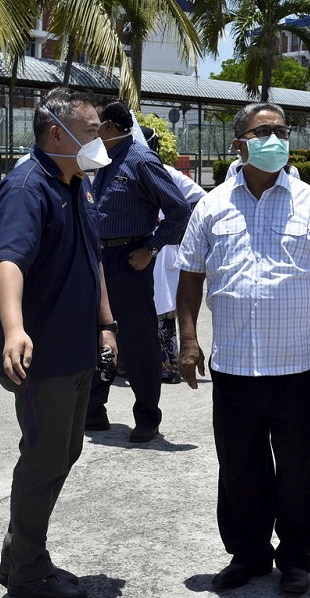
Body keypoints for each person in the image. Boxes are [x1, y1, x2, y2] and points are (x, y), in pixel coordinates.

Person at [175, 101, 310, 596]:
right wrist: (188, 341)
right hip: (233, 367)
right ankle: (249, 554)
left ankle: (297, 558)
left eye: (281, 130)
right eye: (263, 131)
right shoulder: (211, 206)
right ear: (239, 145)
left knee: (302, 470)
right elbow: (190, 277)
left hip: (298, 366)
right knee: (240, 469)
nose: (275, 138)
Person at [0, 87, 119, 598]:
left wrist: (107, 324)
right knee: (44, 457)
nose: (99, 139)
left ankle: (23, 554)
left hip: (77, 348)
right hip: (41, 354)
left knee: (63, 452)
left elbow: (94, 258)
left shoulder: (77, 182)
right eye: (90, 131)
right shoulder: (27, 187)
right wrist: (15, 329)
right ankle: (27, 571)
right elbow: (9, 261)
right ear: (55, 134)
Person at [85, 100, 189, 441]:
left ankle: (147, 417)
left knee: (137, 341)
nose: (90, 131)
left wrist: (151, 248)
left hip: (130, 260)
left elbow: (179, 209)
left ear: (112, 127)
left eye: (94, 124)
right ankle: (94, 411)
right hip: (100, 261)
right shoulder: (103, 160)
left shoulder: (141, 161)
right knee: (97, 335)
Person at [139, 124, 207, 385]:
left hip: (164, 249)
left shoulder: (167, 173)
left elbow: (201, 199)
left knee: (164, 307)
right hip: (136, 249)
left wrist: (180, 229)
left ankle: (167, 366)